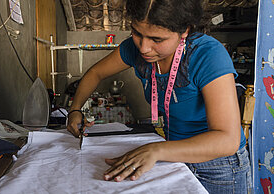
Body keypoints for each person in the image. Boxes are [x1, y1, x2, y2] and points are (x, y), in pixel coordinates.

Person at [66, 0, 252, 193]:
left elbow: (227, 140)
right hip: (173, 155)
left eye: (157, 39)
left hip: (218, 167)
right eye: (137, 33)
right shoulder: (134, 49)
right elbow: (95, 73)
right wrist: (75, 109)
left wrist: (156, 150)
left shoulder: (208, 55)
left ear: (185, 31)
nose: (144, 47)